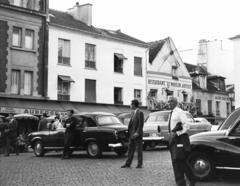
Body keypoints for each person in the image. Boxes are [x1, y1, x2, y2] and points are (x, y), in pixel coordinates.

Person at [168, 97, 196, 186]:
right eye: (168, 102)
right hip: (173, 140)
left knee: (178, 161)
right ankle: (192, 178)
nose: (169, 103)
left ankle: (181, 183)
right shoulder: (171, 113)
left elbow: (187, 126)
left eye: (171, 101)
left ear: (176, 102)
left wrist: (177, 133)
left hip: (179, 139)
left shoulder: (179, 112)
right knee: (179, 161)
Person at [121, 99, 144, 168]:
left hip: (137, 135)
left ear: (134, 105)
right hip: (131, 135)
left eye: (131, 104)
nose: (130, 105)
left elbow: (141, 124)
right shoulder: (133, 112)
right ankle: (128, 164)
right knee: (130, 150)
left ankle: (139, 164)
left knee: (139, 150)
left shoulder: (140, 112)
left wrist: (137, 132)